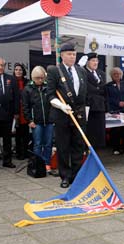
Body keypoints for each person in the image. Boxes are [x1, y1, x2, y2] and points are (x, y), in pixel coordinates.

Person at [47, 43, 88, 188]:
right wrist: (61, 105)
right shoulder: (54, 71)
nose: (72, 56)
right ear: (62, 55)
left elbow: (84, 94)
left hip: (78, 115)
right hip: (62, 114)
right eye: (69, 54)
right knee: (63, 146)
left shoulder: (80, 71)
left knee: (78, 146)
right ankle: (65, 176)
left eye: (74, 54)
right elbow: (50, 95)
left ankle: (76, 175)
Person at [22, 66, 58, 176]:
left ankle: (47, 164)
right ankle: (37, 165)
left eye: (42, 78)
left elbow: (53, 104)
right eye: (37, 78)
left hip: (49, 121)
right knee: (37, 144)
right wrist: (29, 120)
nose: (40, 80)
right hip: (36, 122)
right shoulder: (27, 89)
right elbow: (25, 107)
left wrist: (53, 118)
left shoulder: (48, 88)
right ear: (33, 78)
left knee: (48, 144)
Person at [105, 67, 124, 155]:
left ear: (121, 74)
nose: (117, 75)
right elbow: (107, 98)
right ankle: (115, 148)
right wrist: (118, 103)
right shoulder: (108, 86)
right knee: (115, 130)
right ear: (111, 76)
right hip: (114, 110)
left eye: (118, 74)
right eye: (115, 74)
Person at [84, 52, 107, 149]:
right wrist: (97, 90)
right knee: (90, 132)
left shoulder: (101, 73)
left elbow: (103, 89)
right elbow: (88, 89)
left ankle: (97, 151)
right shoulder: (84, 72)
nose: (95, 63)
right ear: (87, 62)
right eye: (93, 61)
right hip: (90, 106)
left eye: (97, 61)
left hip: (100, 106)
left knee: (99, 132)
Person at [13, 63, 30, 160]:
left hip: (25, 111)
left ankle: (26, 152)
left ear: (23, 71)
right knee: (18, 134)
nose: (18, 71)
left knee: (26, 133)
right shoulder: (11, 81)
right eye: (16, 69)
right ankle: (18, 153)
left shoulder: (28, 82)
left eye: (20, 70)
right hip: (15, 111)